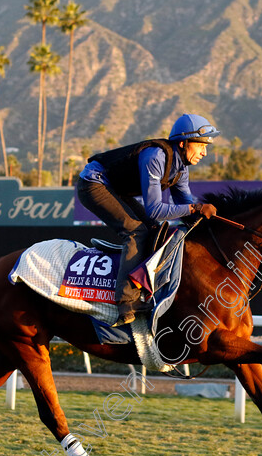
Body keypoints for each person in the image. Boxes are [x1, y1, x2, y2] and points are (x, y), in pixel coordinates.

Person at [77, 113, 220, 326]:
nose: (204, 152)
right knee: (138, 231)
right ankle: (125, 302)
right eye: (201, 146)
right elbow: (154, 209)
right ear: (183, 143)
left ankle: (145, 288)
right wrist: (196, 207)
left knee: (155, 229)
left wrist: (205, 221)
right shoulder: (156, 157)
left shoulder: (181, 169)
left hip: (114, 188)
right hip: (92, 184)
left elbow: (186, 211)